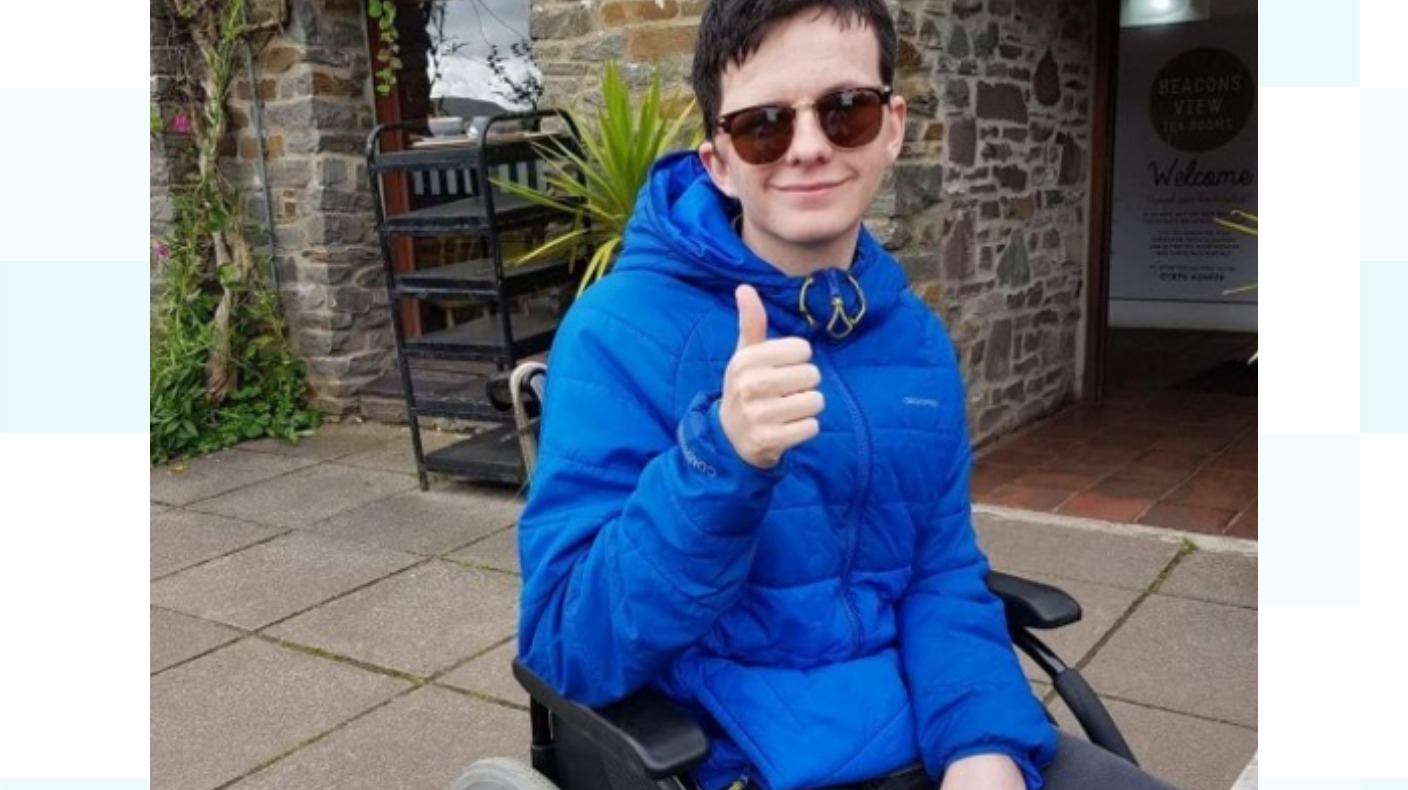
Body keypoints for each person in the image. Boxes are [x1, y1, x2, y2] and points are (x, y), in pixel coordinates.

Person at [516, 0, 1177, 788]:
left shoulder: (915, 340)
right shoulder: (616, 334)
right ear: (719, 161)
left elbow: (940, 572)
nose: (807, 148)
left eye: (845, 111)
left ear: (892, 127)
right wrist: (718, 461)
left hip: (930, 728)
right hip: (740, 760)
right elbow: (565, 644)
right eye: (764, 125)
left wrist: (982, 745)